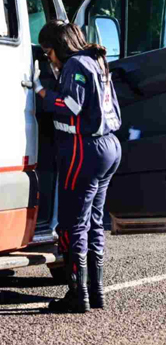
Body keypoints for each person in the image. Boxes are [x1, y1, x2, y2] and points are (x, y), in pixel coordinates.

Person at [30, 20, 122, 313]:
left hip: (85, 148)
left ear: (57, 47)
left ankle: (77, 295)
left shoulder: (74, 65)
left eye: (48, 53)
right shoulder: (97, 59)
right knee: (94, 222)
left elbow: (70, 106)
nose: (49, 59)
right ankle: (96, 293)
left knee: (72, 223)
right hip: (109, 145)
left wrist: (40, 91)